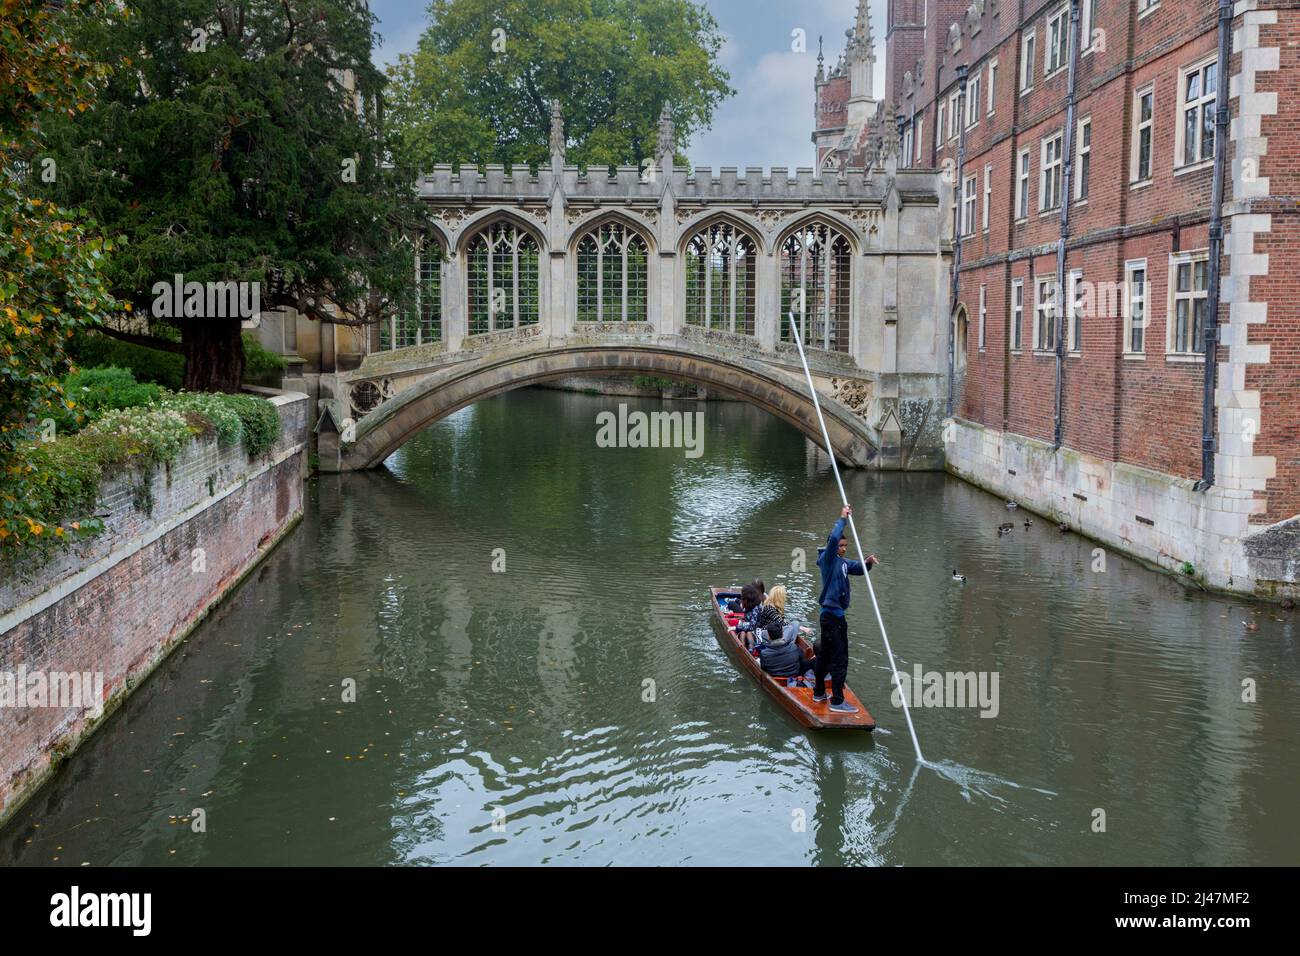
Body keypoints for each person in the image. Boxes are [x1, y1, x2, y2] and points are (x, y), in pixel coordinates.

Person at [814, 505, 878, 713]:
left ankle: (819, 692)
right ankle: (837, 701)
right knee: (840, 658)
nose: (842, 548)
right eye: (840, 545)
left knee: (824, 654)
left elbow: (856, 569)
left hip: (830, 616)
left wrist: (867, 563)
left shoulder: (841, 562)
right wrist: (842, 518)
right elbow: (832, 540)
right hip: (833, 616)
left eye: (844, 546)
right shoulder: (829, 559)